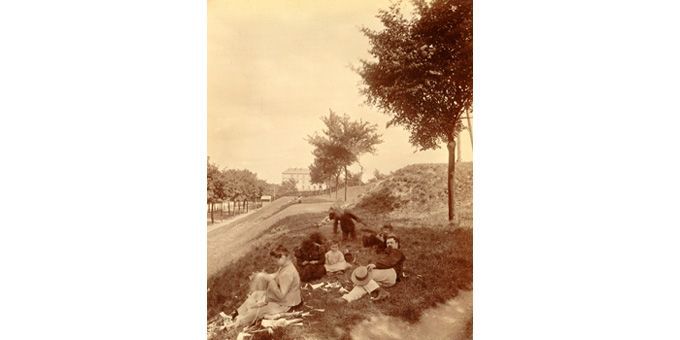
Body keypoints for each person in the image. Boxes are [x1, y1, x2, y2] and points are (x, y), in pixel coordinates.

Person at [232, 245, 302, 327]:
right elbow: (277, 275)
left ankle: (239, 322)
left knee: (258, 310)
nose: (274, 262)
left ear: (282, 257)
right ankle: (239, 312)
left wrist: (271, 282)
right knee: (256, 294)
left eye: (275, 260)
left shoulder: (287, 273)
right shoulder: (285, 266)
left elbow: (281, 296)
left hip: (286, 303)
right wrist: (265, 275)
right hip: (285, 298)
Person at [335, 236, 405, 303]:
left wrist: (375, 265)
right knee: (363, 283)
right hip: (386, 280)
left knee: (364, 275)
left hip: (391, 273)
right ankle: (346, 298)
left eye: (391, 243)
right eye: (387, 243)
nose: (389, 245)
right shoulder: (388, 253)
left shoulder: (396, 252)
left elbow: (389, 261)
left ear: (397, 244)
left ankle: (351, 286)